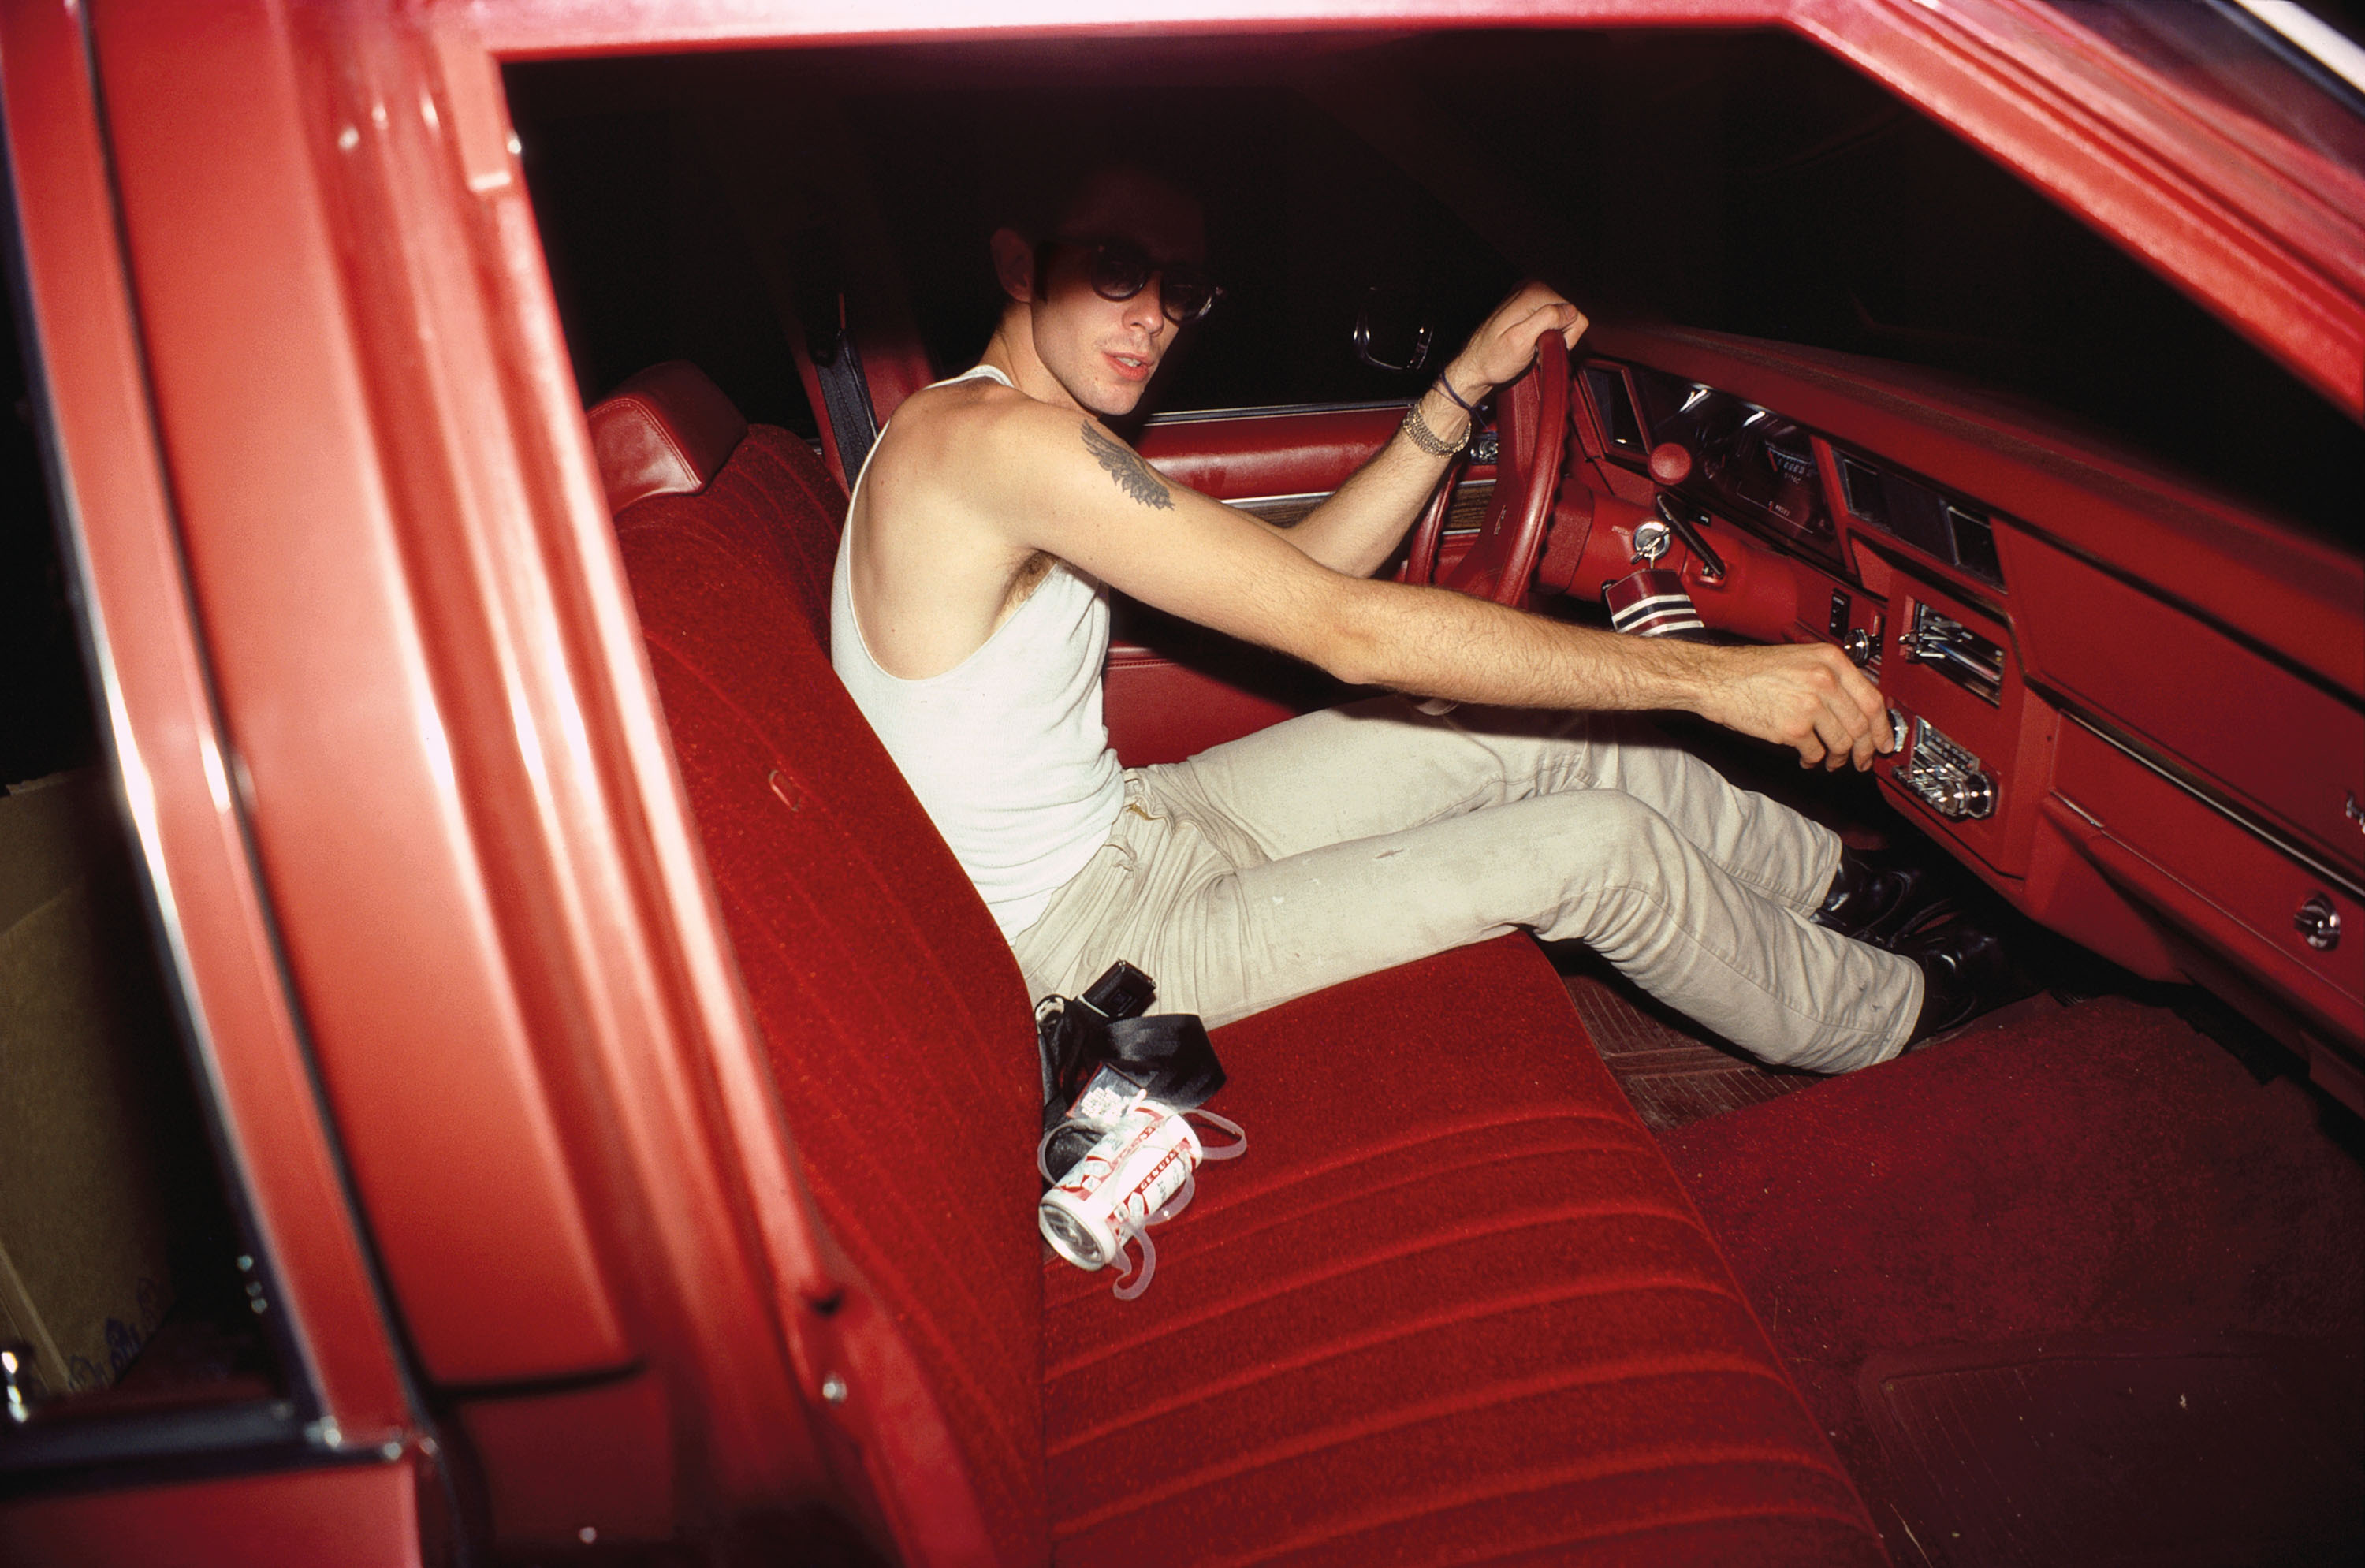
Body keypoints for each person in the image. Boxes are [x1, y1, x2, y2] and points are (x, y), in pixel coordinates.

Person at [831, 163, 2004, 1073]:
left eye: (1180, 288)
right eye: (1116, 268)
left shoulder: (1006, 431)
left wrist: (1459, 390)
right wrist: (1716, 681)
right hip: (1083, 949)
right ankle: (1892, 1015)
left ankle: (1842, 894)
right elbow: (1347, 629)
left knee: (1550, 735)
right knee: (1595, 848)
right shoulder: (995, 445)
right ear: (1019, 266)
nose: (1153, 318)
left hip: (1139, 823)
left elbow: (1298, 571)